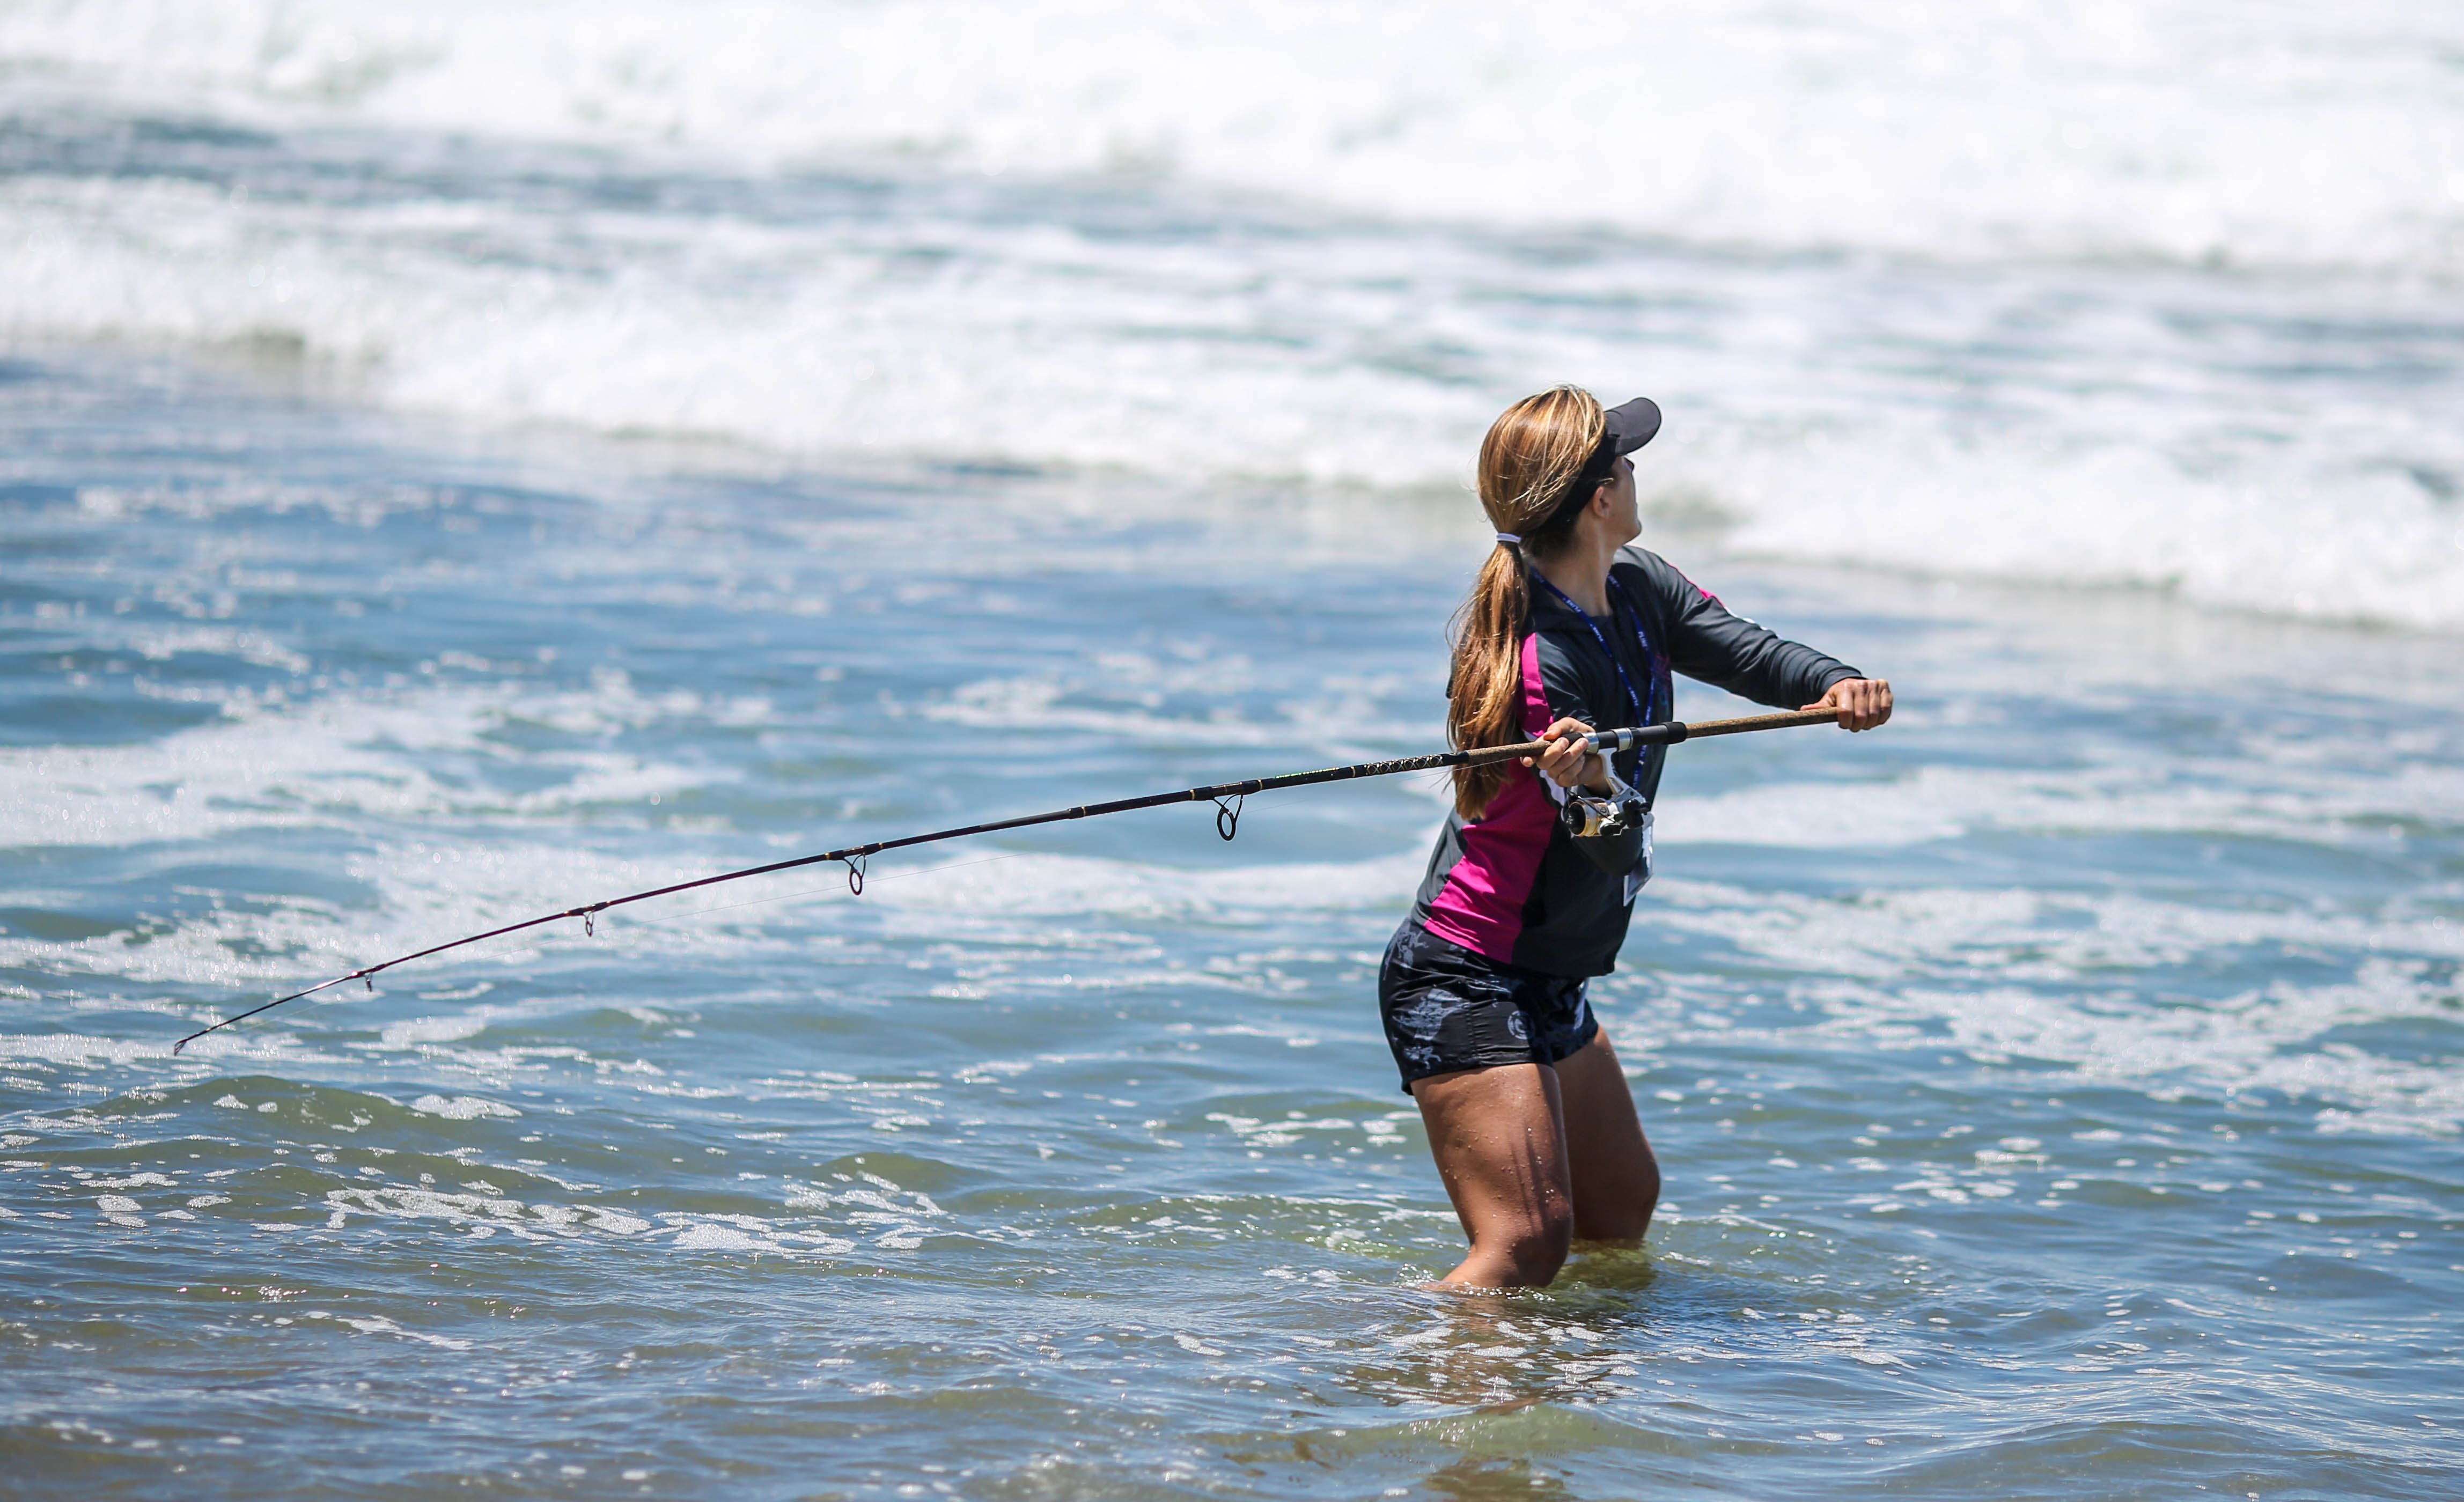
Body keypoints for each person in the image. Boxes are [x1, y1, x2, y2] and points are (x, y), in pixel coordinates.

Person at [1382, 386, 1891, 1289]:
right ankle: (1400, 1359)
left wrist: (1836, 681)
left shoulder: (1638, 585)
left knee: (1618, 1210)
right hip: (1467, 973)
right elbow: (1612, 848)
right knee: (1524, 1244)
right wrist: (1590, 788)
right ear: (1599, 499)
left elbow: (1743, 649)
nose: (1634, 470)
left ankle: (1571, 1365)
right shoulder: (1541, 661)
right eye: (1624, 461)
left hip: (1551, 971)